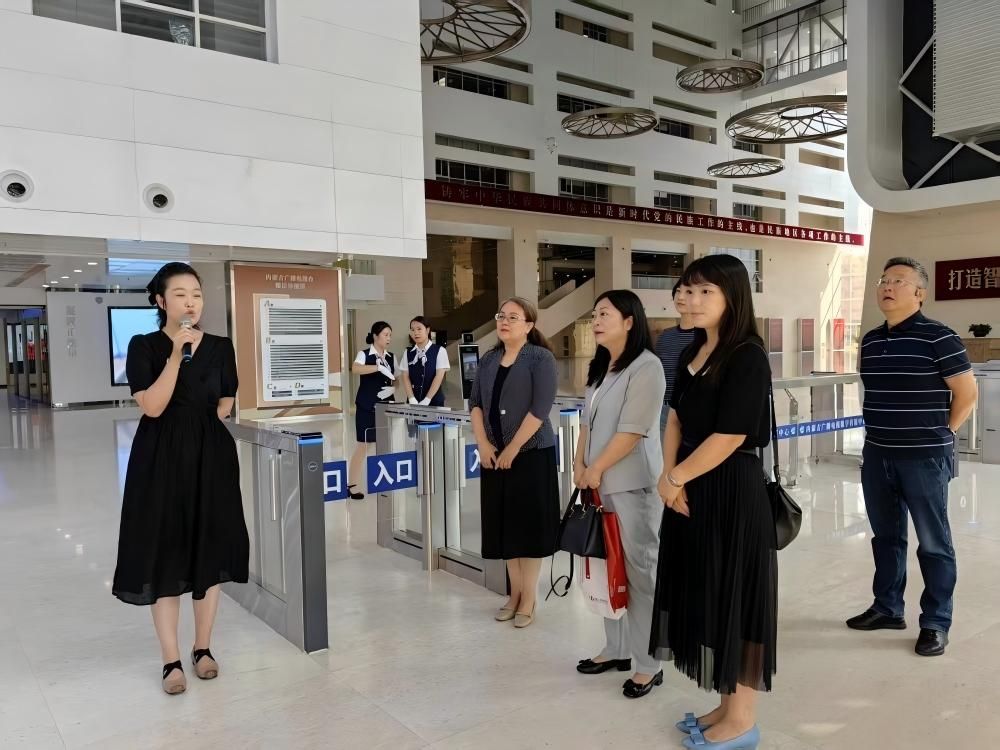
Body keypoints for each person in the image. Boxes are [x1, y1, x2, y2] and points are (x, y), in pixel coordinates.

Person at [651, 254, 776, 750]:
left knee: (736, 598)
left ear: (732, 297)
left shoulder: (747, 354)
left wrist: (676, 476)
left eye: (705, 291)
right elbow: (675, 418)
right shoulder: (693, 351)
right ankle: (726, 706)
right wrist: (671, 477)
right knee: (709, 594)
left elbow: (731, 434)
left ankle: (743, 719)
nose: (691, 299)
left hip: (731, 490)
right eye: (687, 289)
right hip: (689, 487)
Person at [112, 262, 249, 695]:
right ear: (160, 301)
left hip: (210, 456)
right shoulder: (144, 346)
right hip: (161, 458)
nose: (191, 303)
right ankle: (170, 659)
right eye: (180, 294)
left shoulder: (221, 346)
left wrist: (205, 425)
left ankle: (202, 648)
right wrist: (175, 356)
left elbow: (226, 399)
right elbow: (152, 406)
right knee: (166, 553)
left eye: (197, 294)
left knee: (209, 549)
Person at [847, 257, 977, 657]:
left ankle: (936, 622)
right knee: (886, 537)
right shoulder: (871, 340)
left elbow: (967, 393)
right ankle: (887, 608)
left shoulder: (939, 337)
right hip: (877, 453)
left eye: (899, 281)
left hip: (923, 457)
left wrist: (942, 433)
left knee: (933, 543)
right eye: (883, 280)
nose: (887, 286)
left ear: (920, 293)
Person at [573, 290, 666, 699]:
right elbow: (587, 425)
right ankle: (616, 649)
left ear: (630, 321)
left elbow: (632, 431)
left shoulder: (646, 367)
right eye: (594, 314)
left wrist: (595, 469)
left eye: (605, 314)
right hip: (598, 485)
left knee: (640, 573)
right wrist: (579, 464)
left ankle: (648, 664)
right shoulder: (601, 369)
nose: (596, 321)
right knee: (606, 566)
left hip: (632, 485)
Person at [470, 297, 559, 628]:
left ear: (529, 325)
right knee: (505, 526)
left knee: (528, 528)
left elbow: (540, 408)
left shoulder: (540, 358)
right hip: (494, 456)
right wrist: (483, 443)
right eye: (501, 316)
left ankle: (529, 598)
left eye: (513, 317)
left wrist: (514, 448)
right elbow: (475, 403)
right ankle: (515, 594)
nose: (504, 321)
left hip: (532, 454)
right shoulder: (489, 359)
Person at [347, 322, 397, 500]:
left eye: (390, 335)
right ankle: (352, 485)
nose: (388, 338)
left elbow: (396, 378)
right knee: (363, 445)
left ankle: (383, 485)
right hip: (366, 406)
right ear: (375, 336)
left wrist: (393, 388)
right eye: (385, 335)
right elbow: (355, 369)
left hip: (386, 406)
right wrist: (377, 367)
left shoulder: (391, 357)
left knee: (385, 446)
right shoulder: (364, 354)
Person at [654, 281, 697, 434]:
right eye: (678, 291)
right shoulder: (665, 336)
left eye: (688, 292)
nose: (681, 297)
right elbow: (657, 373)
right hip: (664, 409)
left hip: (693, 409)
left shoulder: (706, 337)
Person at [401, 316, 450, 407]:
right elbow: (405, 376)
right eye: (412, 330)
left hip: (434, 402)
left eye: (419, 329)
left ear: (427, 330)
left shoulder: (440, 350)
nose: (415, 333)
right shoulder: (407, 352)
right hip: (413, 402)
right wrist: (411, 398)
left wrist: (427, 399)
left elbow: (439, 376)